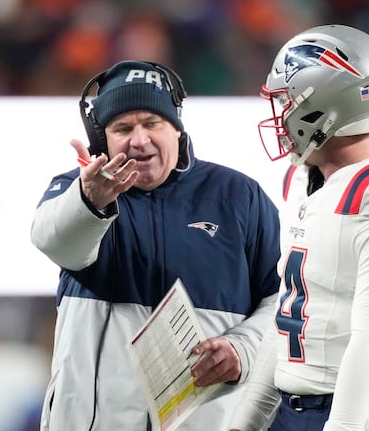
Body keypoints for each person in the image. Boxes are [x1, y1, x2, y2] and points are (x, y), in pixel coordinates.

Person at [30, 60, 281, 430]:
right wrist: (89, 201)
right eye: (123, 128)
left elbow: (285, 302)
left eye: (152, 123)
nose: (139, 139)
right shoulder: (79, 189)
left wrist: (242, 349)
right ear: (103, 140)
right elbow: (54, 242)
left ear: (177, 130)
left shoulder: (240, 197)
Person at [228, 24, 369, 431]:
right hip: (293, 408)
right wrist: (246, 421)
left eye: (288, 100)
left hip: (363, 412)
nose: (282, 113)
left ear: (326, 106)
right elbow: (290, 313)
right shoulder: (303, 182)